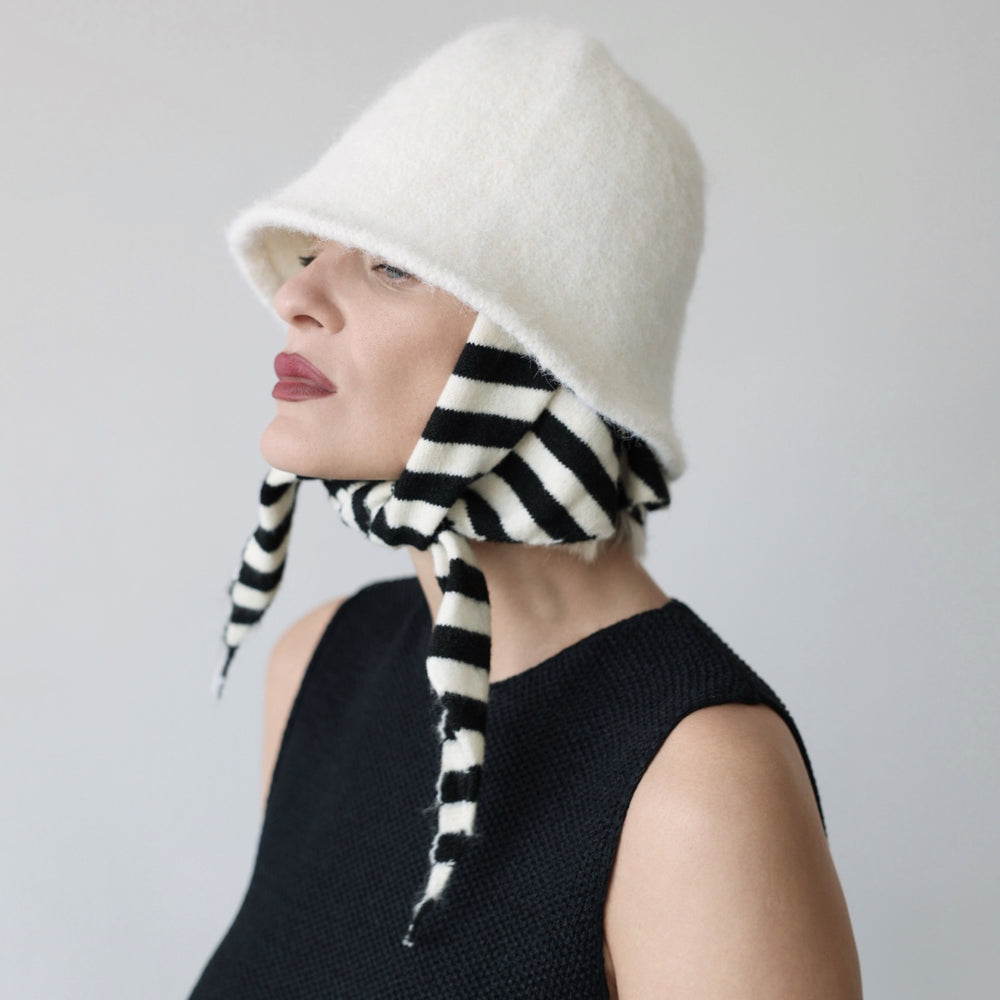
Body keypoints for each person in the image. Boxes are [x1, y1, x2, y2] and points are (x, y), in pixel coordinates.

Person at [188, 17, 862, 1000]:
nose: (299, 294)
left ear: (541, 355)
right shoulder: (320, 666)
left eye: (390, 264)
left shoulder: (699, 779)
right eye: (313, 248)